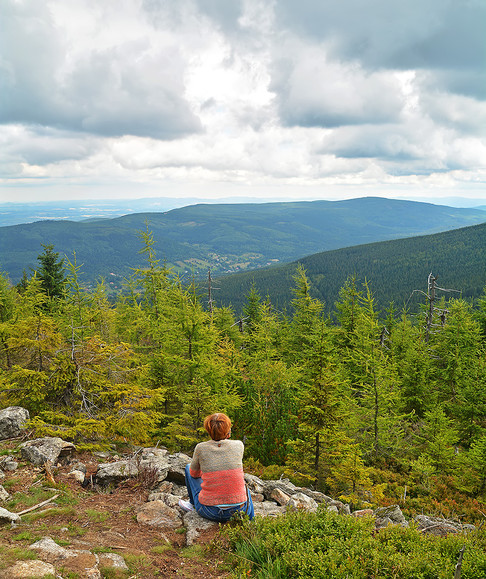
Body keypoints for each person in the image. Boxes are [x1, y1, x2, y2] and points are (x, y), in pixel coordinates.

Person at [179, 412, 254, 522]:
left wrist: (209, 473)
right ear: (228, 430)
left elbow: (194, 474)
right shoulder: (238, 445)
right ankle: (251, 522)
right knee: (244, 486)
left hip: (209, 511)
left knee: (189, 467)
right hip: (239, 511)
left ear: (208, 430)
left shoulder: (200, 448)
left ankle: (192, 504)